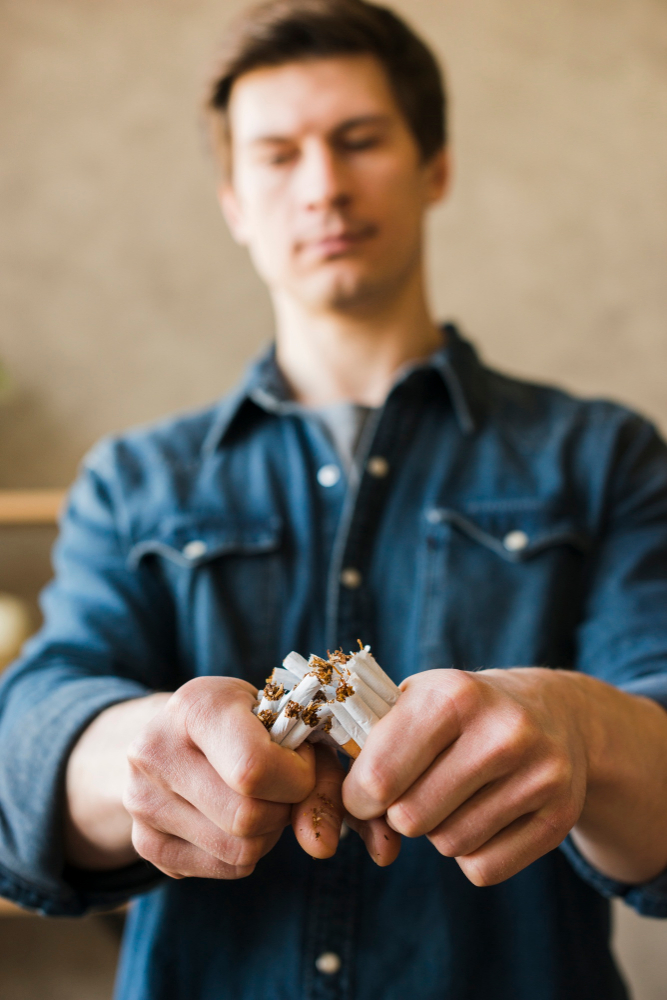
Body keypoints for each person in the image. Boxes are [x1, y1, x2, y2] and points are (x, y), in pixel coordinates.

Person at [1, 0, 666, 996]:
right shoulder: (132, 480)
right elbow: (28, 736)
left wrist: (583, 729)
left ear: (433, 166)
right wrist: (127, 752)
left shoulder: (603, 454)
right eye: (278, 154)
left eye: (358, 141)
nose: (322, 186)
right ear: (232, 198)